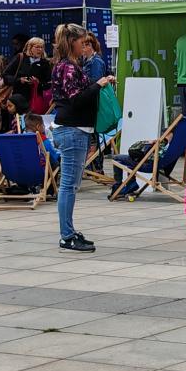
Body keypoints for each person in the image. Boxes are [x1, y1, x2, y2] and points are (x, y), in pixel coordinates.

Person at [49, 23, 111, 254]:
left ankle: (69, 232)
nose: (85, 47)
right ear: (71, 42)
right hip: (72, 129)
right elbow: (76, 99)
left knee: (71, 184)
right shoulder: (67, 67)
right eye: (82, 42)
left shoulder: (68, 65)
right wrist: (98, 84)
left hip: (75, 128)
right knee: (69, 185)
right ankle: (66, 236)